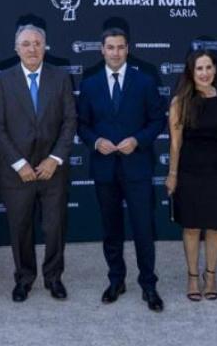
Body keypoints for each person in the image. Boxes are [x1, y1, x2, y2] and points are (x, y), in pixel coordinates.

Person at [77, 28, 166, 312]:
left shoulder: (145, 81)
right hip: (105, 169)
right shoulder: (89, 84)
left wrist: (138, 140)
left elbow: (157, 121)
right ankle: (116, 280)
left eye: (120, 47)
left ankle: (148, 284)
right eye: (110, 47)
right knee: (111, 229)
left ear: (128, 49)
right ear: (101, 50)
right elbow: (82, 124)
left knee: (143, 228)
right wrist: (96, 141)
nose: (115, 53)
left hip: (136, 166)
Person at [0, 24, 77, 302]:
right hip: (17, 173)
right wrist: (19, 163)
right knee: (20, 228)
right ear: (16, 49)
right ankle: (24, 278)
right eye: (26, 44)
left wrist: (54, 159)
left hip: (53, 170)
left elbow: (70, 121)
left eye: (37, 43)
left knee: (55, 228)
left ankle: (54, 278)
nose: (32, 49)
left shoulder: (60, 77)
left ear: (45, 47)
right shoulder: (2, 80)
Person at [165, 51, 217, 302]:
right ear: (191, 72)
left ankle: (211, 276)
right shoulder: (179, 102)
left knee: (215, 227)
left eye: (209, 67)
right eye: (199, 68)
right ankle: (193, 277)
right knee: (192, 227)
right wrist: (172, 174)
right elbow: (175, 144)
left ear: (215, 70)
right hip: (189, 171)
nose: (205, 73)